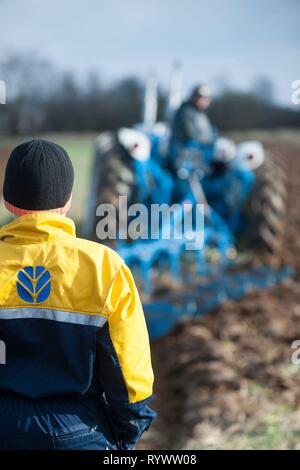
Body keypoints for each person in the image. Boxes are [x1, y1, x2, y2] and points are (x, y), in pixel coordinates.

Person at [0, 139, 156, 450]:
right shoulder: (104, 267)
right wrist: (125, 436)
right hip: (77, 429)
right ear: (68, 200)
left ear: (7, 200)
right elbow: (129, 373)